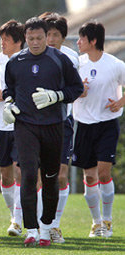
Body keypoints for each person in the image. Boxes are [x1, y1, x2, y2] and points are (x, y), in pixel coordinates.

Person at [3, 17, 83, 247]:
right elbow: (9, 90)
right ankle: (31, 229)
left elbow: (76, 88)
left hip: (53, 126)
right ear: (25, 38)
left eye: (39, 38)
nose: (35, 42)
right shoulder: (15, 62)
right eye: (31, 38)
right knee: (28, 175)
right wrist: (9, 105)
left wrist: (56, 96)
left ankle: (47, 228)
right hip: (25, 126)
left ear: (47, 37)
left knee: (51, 178)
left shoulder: (60, 60)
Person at [74, 21, 125, 239]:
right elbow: (69, 92)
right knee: (89, 176)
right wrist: (80, 91)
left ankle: (107, 221)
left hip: (107, 124)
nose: (78, 42)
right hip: (84, 124)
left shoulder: (115, 64)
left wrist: (120, 102)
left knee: (104, 173)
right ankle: (96, 223)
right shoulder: (77, 64)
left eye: (82, 38)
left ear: (93, 41)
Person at [39, 12, 79, 243]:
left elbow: (74, 91)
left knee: (60, 176)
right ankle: (36, 226)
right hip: (35, 123)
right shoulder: (31, 58)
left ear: (63, 37)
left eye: (56, 35)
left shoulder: (71, 58)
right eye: (48, 34)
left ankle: (54, 226)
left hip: (62, 122)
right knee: (36, 176)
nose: (51, 39)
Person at [0, 19, 24, 237]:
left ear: (19, 42)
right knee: (5, 175)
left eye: (7, 40)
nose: (2, 43)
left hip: (22, 125)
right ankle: (15, 215)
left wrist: (4, 94)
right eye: (1, 39)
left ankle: (18, 220)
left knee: (20, 171)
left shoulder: (26, 61)